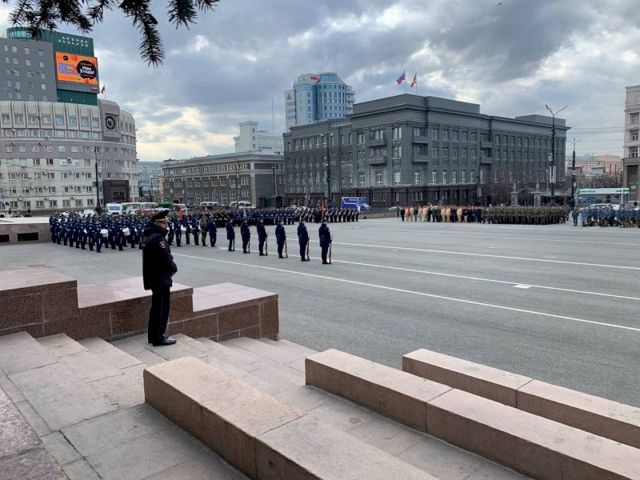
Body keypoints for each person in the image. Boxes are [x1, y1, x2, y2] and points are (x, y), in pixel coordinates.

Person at [142, 210, 178, 347]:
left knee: (156, 308)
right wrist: (173, 268)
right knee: (162, 308)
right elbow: (165, 258)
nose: (166, 226)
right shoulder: (158, 239)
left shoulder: (150, 235)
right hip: (160, 278)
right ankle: (159, 337)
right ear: (157, 223)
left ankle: (153, 335)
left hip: (155, 277)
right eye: (164, 223)